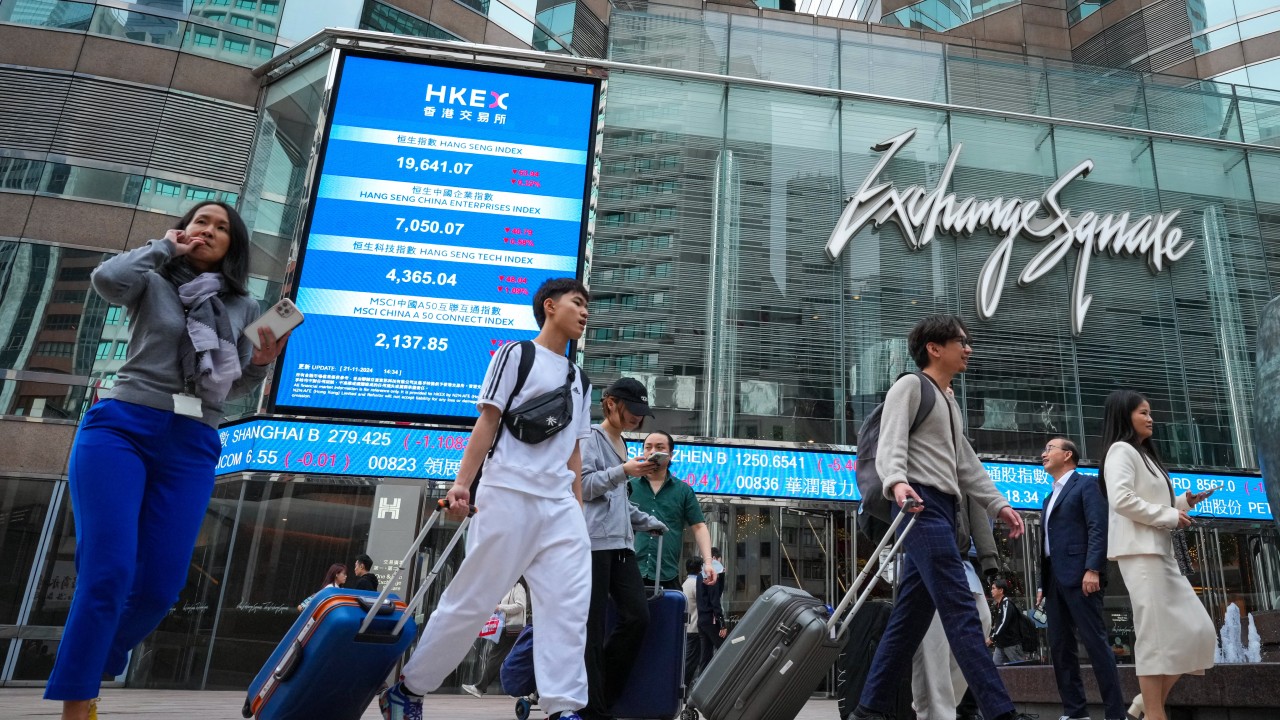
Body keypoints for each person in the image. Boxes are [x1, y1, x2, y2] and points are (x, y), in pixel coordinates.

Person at [42, 201, 288, 720]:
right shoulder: (153, 277)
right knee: (107, 571)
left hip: (192, 439)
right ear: (184, 229)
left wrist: (261, 365)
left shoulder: (243, 306)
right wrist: (164, 247)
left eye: (221, 228)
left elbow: (232, 386)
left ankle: (93, 658)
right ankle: (77, 700)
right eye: (201, 222)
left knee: (160, 586)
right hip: (122, 427)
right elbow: (107, 279)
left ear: (233, 246)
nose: (209, 231)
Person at [379, 278, 594, 720]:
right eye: (578, 302)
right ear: (549, 306)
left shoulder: (580, 379)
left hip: (559, 507)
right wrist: (463, 484)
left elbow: (574, 449)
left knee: (569, 609)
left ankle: (564, 708)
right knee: (473, 601)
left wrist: (576, 508)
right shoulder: (517, 354)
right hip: (508, 493)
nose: (585, 312)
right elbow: (488, 421)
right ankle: (409, 689)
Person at [849, 315, 1031, 720]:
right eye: (961, 342)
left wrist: (997, 504)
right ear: (935, 348)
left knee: (907, 623)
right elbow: (890, 443)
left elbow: (966, 464)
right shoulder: (911, 386)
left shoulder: (949, 401)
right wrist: (896, 483)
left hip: (943, 511)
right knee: (962, 613)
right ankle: (1001, 711)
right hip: (919, 505)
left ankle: (868, 711)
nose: (968, 349)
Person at [1098, 390, 1216, 720]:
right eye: (1143, 413)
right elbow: (1121, 500)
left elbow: (1150, 502)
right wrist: (1169, 516)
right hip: (1140, 553)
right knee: (1155, 637)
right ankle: (1153, 712)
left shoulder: (1143, 454)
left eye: (1150, 413)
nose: (1150, 418)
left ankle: (1144, 706)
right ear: (1125, 416)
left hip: (1158, 551)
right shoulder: (1120, 451)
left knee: (1199, 632)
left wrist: (1184, 503)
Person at [580, 377, 669, 720]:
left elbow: (618, 503)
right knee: (592, 626)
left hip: (621, 544)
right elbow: (584, 486)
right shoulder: (591, 437)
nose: (636, 418)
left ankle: (601, 695)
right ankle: (592, 708)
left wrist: (648, 521)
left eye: (641, 412)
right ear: (611, 403)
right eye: (631, 409)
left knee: (637, 617)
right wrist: (623, 471)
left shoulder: (623, 446)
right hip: (592, 545)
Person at [1036, 437, 1126, 720]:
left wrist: (1094, 569)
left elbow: (1098, 527)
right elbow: (1047, 544)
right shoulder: (1049, 497)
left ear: (1068, 455)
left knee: (1095, 643)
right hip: (1054, 581)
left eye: (1050, 448)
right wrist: (1042, 583)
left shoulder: (1086, 485)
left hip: (1082, 576)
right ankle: (1075, 712)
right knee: (1061, 648)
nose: (1044, 453)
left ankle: (1115, 714)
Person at [910, 493, 999, 720]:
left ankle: (944, 705)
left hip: (961, 556)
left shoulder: (961, 462)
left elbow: (979, 508)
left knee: (981, 621)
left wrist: (989, 557)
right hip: (924, 549)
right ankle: (935, 712)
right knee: (933, 643)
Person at [630, 431, 716, 591]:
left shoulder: (683, 490)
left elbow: (699, 526)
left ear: (670, 455)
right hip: (629, 571)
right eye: (648, 447)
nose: (652, 451)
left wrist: (708, 562)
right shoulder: (628, 485)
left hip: (667, 573)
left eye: (659, 447)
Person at [462, 581, 528, 697]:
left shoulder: (518, 587)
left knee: (495, 657)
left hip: (512, 628)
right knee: (508, 658)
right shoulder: (509, 588)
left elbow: (520, 605)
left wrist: (500, 607)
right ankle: (518, 690)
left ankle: (480, 688)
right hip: (508, 628)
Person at [988, 579, 1026, 665]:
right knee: (996, 669)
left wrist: (992, 637)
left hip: (1011, 644)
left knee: (1020, 670)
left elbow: (1003, 623)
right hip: (1001, 644)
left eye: (993, 588)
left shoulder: (1007, 604)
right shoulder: (999, 605)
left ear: (1001, 590)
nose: (991, 590)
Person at [682, 558, 704, 690]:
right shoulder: (697, 584)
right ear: (700, 568)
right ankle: (683, 687)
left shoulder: (685, 583)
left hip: (688, 627)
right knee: (691, 662)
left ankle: (683, 687)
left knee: (690, 660)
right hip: (695, 628)